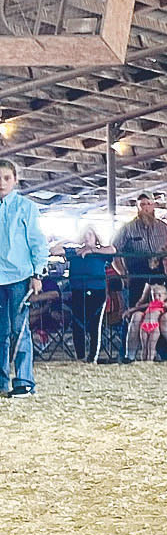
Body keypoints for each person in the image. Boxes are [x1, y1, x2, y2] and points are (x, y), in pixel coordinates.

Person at [0, 158, 47, 397]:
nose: (1, 183)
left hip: (19, 276)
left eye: (6, 178)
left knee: (19, 329)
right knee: (0, 331)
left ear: (15, 180)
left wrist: (38, 273)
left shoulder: (26, 207)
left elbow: (38, 242)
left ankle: (24, 381)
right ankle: (1, 382)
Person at [60, 225, 116, 361]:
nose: (87, 237)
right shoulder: (74, 252)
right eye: (85, 234)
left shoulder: (100, 252)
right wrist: (68, 240)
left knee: (94, 325)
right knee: (77, 324)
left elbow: (113, 249)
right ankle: (80, 357)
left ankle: (92, 358)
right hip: (78, 290)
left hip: (97, 291)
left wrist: (91, 250)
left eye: (90, 234)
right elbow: (54, 250)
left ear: (96, 237)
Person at [112, 192, 167, 305]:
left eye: (148, 204)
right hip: (137, 274)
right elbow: (114, 251)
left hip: (160, 273)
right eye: (142, 204)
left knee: (160, 304)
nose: (146, 207)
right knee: (136, 304)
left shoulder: (163, 227)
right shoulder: (127, 228)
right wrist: (123, 274)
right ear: (138, 207)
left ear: (153, 206)